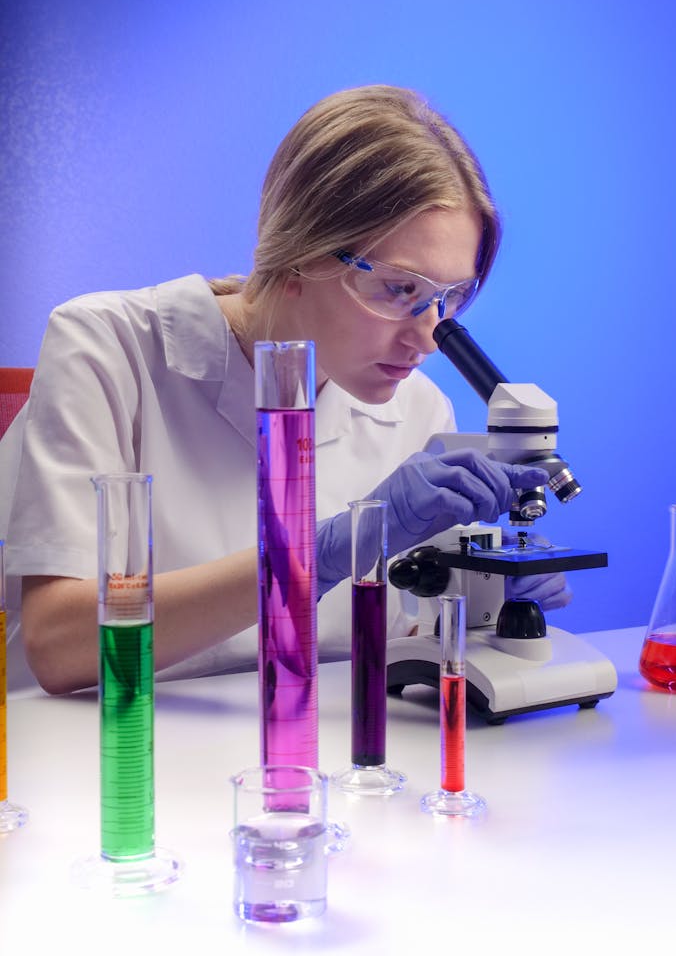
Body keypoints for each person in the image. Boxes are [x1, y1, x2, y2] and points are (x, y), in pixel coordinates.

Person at [1, 84, 570, 696]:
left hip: (308, 764)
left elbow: (402, 652)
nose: (427, 338)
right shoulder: (108, 349)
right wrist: (313, 556)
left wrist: (481, 597)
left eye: (450, 298)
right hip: (95, 754)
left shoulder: (418, 410)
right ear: (302, 252)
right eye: (401, 289)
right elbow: (59, 647)